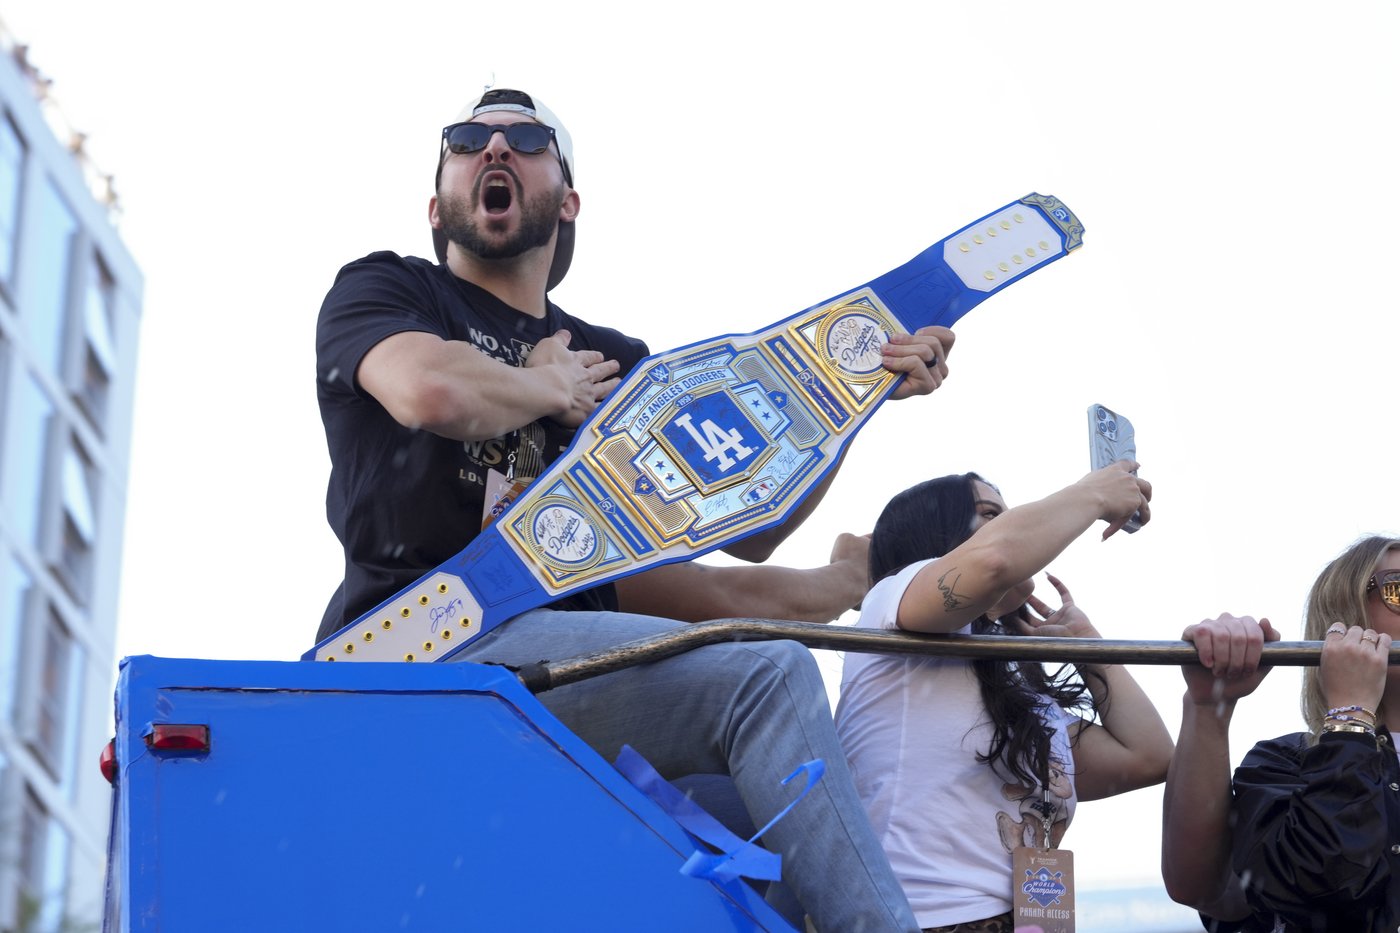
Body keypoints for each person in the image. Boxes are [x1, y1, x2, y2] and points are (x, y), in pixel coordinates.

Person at [314, 87, 959, 931]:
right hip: (427, 645)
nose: (495, 150)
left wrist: (858, 395)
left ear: (569, 197)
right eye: (469, 139)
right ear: (438, 203)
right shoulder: (387, 289)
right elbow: (427, 389)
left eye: (526, 139)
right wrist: (548, 387)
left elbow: (753, 526)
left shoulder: (620, 366)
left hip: (570, 671)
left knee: (779, 811)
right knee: (766, 673)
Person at [834, 466, 1172, 932]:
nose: (1020, 528)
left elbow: (1149, 757)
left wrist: (1087, 647)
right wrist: (1091, 494)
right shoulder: (892, 598)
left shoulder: (1019, 693)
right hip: (915, 916)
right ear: (935, 534)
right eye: (990, 514)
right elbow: (993, 561)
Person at [1162, 535, 1400, 932]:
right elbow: (1211, 890)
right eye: (1398, 588)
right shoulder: (1288, 763)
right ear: (1349, 620)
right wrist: (1350, 719)